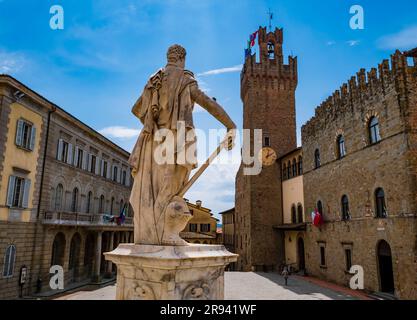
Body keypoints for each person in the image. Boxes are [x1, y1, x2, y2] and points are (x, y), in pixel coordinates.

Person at [129, 44, 236, 245]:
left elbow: (136, 110)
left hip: (152, 141)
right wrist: (230, 125)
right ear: (182, 59)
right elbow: (207, 103)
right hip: (175, 140)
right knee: (171, 189)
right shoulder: (185, 79)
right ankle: (165, 235)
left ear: (168, 57)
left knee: (150, 190)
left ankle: (151, 236)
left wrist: (153, 120)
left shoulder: (154, 81)